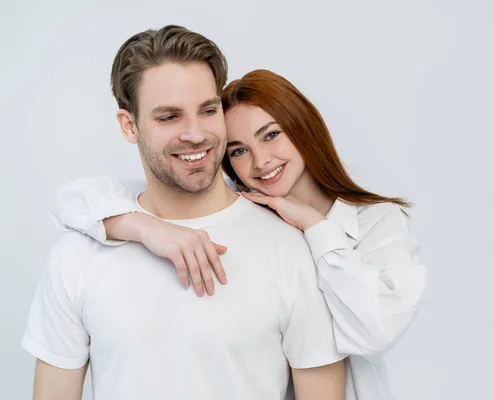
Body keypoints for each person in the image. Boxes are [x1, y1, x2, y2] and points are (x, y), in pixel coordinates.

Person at [53, 67, 427, 399]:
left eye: (271, 135)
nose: (261, 161)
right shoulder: (246, 216)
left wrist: (315, 226)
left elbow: (375, 330)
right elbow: (72, 202)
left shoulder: (377, 223)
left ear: (304, 127)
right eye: (238, 151)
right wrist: (142, 227)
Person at [22, 25, 347, 400]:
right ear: (130, 126)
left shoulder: (291, 250)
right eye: (169, 117)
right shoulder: (77, 257)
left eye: (208, 110)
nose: (195, 134)